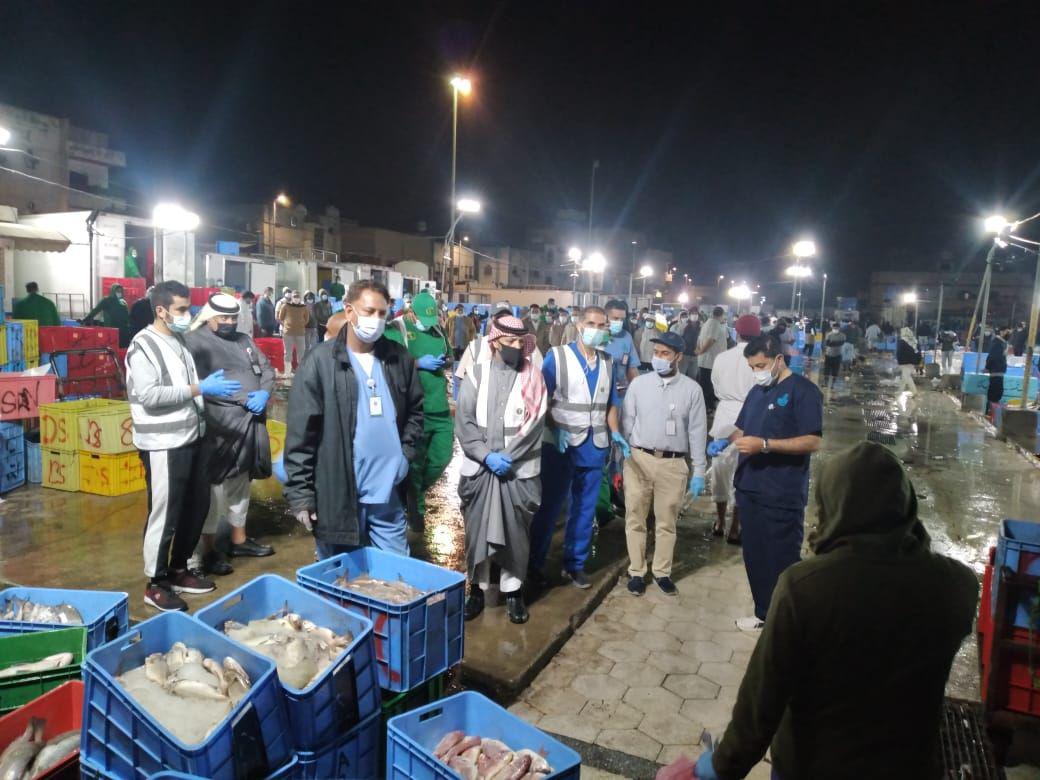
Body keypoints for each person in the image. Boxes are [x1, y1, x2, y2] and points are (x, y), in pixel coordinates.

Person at [678, 442, 978, 780]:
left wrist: (717, 767)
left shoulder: (805, 588)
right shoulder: (957, 585)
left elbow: (760, 708)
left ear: (834, 505)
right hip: (909, 767)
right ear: (905, 505)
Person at [284, 279, 424, 558]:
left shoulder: (399, 359)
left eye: (382, 313)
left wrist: (405, 455)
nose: (376, 320)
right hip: (339, 491)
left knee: (395, 571)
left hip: (387, 491)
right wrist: (301, 494)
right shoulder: (320, 362)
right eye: (369, 311)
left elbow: (415, 412)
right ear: (349, 311)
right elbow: (301, 434)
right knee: (342, 573)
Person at [127, 281, 242, 612]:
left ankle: (179, 569)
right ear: (161, 310)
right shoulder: (143, 345)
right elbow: (149, 395)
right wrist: (198, 388)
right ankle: (155, 583)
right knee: (166, 513)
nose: (187, 314)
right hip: (164, 443)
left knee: (196, 507)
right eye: (180, 309)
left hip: (192, 436)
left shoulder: (177, 340)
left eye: (188, 308)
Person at [710, 334, 822, 631]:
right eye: (752, 367)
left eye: (760, 366)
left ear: (778, 360)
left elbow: (813, 441)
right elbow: (742, 429)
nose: (756, 372)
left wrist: (765, 445)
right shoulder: (757, 392)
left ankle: (789, 623)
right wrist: (724, 441)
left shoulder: (803, 391)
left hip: (781, 491)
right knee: (755, 555)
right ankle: (764, 613)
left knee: (781, 559)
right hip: (750, 487)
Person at [457, 314, 548, 624]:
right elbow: (465, 421)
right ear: (495, 342)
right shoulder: (476, 374)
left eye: (521, 342)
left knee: (516, 533)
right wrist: (486, 456)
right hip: (480, 470)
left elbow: (534, 425)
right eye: (510, 341)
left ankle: (513, 592)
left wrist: (507, 457)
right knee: (477, 532)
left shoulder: (534, 377)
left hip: (517, 471)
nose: (516, 347)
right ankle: (477, 589)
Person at [528, 306, 624, 590]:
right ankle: (534, 564)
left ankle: (574, 564)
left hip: (595, 446)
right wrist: (554, 427)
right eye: (592, 323)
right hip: (561, 445)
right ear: (580, 326)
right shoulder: (557, 357)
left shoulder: (608, 362)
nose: (598, 329)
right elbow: (540, 399)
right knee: (549, 507)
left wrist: (615, 432)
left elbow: (611, 403)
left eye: (603, 325)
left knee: (584, 508)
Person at [185, 294, 276, 576]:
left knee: (241, 482)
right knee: (213, 490)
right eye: (223, 318)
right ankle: (208, 549)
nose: (229, 323)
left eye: (233, 318)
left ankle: (239, 540)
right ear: (209, 316)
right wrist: (242, 397)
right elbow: (194, 384)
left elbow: (266, 369)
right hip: (218, 425)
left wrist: (264, 392)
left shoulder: (244, 340)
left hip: (250, 423)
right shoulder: (194, 342)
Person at [621, 331, 706, 596]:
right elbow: (627, 422)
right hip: (638, 459)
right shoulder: (639, 385)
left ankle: (661, 572)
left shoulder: (692, 390)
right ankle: (636, 571)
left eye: (665, 354)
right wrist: (620, 457)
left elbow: (697, 432)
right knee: (635, 516)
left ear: (678, 357)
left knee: (666, 521)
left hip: (672, 464)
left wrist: (699, 470)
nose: (658, 358)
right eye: (656, 352)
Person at [384, 291, 453, 532]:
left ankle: (411, 494)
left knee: (442, 457)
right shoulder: (397, 329)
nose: (429, 323)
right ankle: (416, 511)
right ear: (411, 312)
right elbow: (387, 360)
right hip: (415, 406)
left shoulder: (438, 330)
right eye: (425, 318)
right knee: (414, 462)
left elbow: (450, 356)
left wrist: (445, 361)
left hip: (440, 405)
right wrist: (417, 362)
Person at [708, 314, 760, 544]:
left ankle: (719, 522)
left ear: (736, 332)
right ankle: (735, 527)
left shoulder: (722, 357)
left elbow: (715, 386)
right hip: (750, 417)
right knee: (743, 472)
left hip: (724, 415)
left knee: (720, 472)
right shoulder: (760, 359)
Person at [603, 300, 641, 395]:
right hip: (600, 387)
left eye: (622, 319)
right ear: (605, 317)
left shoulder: (626, 337)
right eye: (615, 318)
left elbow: (632, 368)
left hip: (620, 387)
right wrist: (603, 335)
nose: (619, 322)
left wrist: (638, 391)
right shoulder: (596, 336)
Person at [695, 307, 729, 411]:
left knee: (706, 385)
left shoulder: (707, 323)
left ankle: (707, 406)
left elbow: (699, 339)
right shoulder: (715, 324)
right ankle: (707, 407)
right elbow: (711, 340)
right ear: (722, 315)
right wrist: (701, 351)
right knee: (708, 387)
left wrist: (699, 350)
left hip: (707, 361)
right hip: (710, 361)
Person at [277, 290, 309, 375]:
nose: (296, 298)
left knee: (301, 353)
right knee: (288, 353)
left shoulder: (304, 307)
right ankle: (287, 372)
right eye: (294, 296)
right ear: (291, 297)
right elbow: (280, 317)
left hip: (300, 333)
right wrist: (287, 325)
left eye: (298, 297)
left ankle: (300, 372)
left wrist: (300, 325)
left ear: (300, 298)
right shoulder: (285, 306)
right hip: (288, 333)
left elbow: (307, 319)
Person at [985, 327, 1009, 409]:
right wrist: (987, 367)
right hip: (996, 371)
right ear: (1001, 332)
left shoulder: (1002, 343)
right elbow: (991, 357)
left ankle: (991, 409)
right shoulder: (998, 343)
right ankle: (990, 409)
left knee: (997, 391)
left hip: (999, 371)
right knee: (995, 392)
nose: (1009, 334)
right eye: (1007, 331)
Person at [896, 326, 921, 394]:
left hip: (904, 362)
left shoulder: (902, 341)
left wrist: (898, 361)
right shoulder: (915, 341)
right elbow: (918, 352)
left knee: (907, 377)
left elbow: (899, 352)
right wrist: (918, 361)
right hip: (912, 362)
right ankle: (900, 391)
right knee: (904, 377)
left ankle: (914, 392)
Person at [822, 321, 846, 390]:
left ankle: (833, 384)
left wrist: (833, 343)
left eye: (836, 328)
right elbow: (828, 343)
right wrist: (835, 343)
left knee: (835, 371)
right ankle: (825, 383)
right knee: (826, 370)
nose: (835, 329)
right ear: (832, 328)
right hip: (828, 354)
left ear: (839, 328)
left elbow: (841, 343)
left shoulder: (842, 335)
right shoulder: (829, 334)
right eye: (834, 328)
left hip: (838, 355)